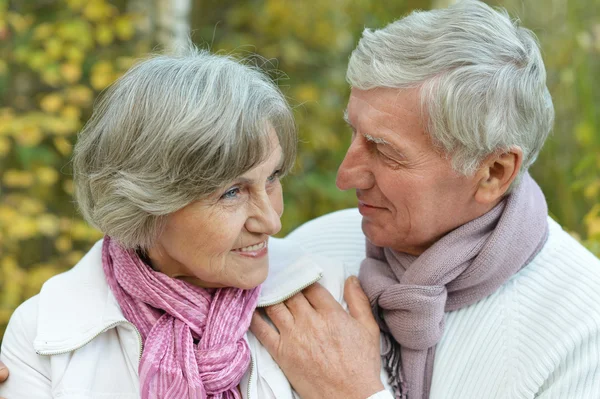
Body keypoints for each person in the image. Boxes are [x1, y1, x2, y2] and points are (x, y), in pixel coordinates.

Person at [249, 1, 600, 398]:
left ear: (494, 172)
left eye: (385, 150)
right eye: (354, 133)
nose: (345, 177)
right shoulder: (306, 257)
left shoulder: (584, 332)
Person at [0, 46, 390, 398]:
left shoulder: (326, 297)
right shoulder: (44, 335)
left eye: (271, 178)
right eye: (231, 193)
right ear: (147, 204)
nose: (270, 221)